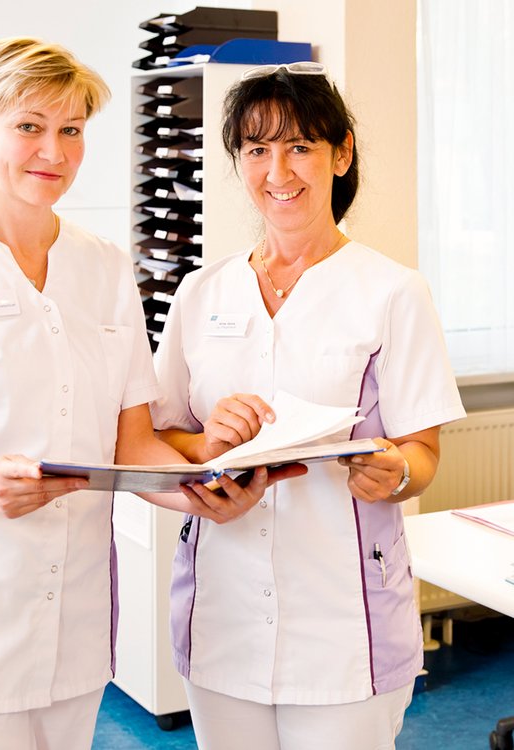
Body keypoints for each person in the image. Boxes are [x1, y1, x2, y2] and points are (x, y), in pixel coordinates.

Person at [0, 38, 303, 750]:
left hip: (73, 624)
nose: (52, 150)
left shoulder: (103, 266)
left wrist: (201, 490)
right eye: (28, 125)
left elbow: (132, 447)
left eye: (71, 130)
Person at [150, 61, 466, 750]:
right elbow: (160, 435)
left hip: (341, 620)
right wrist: (203, 444)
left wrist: (394, 469)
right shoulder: (201, 294)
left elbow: (421, 454)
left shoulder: (391, 291)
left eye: (299, 146)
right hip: (222, 611)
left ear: (340, 153)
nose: (277, 169)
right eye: (257, 149)